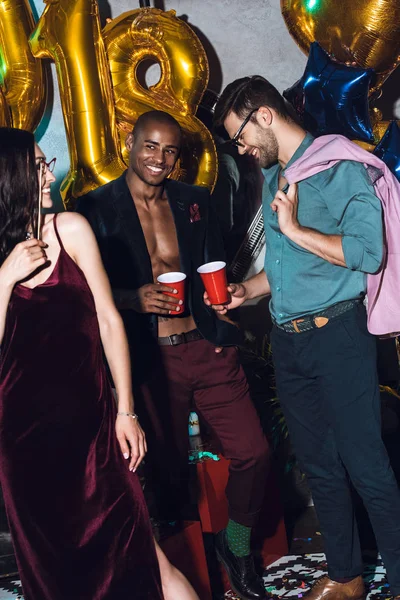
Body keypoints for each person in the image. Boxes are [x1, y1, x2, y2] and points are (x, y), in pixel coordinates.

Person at [209, 75, 400, 600]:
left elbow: (369, 253)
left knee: (366, 464)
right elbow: (285, 272)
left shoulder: (341, 166)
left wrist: (294, 229)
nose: (242, 148)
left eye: (241, 136)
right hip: (290, 342)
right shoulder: (277, 178)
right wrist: (244, 291)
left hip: (337, 335)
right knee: (319, 465)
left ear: (264, 115)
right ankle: (346, 576)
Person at [76, 109, 270, 600]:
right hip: (149, 361)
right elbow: (77, 292)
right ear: (129, 142)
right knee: (156, 472)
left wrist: (221, 304)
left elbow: (214, 266)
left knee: (253, 451)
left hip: (206, 350)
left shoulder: (194, 201)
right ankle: (167, 571)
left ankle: (237, 544)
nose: (159, 159)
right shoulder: (92, 210)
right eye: (150, 146)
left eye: (169, 150)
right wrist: (130, 297)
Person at [0, 127, 199, 600]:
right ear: (9, 177)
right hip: (25, 448)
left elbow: (110, 322)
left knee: (149, 558)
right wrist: (5, 277)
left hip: (94, 434)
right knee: (58, 579)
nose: (49, 171)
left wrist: (125, 411)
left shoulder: (70, 230)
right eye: (37, 164)